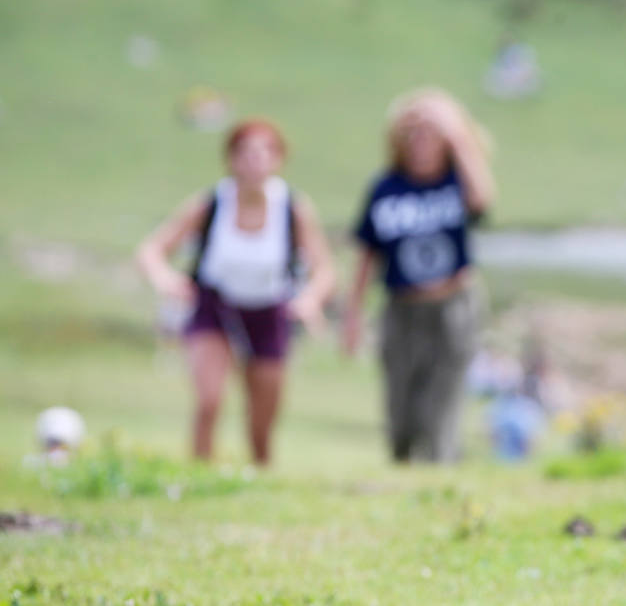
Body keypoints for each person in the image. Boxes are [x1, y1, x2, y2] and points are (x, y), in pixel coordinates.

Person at [135, 120, 334, 465]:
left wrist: (310, 299)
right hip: (216, 306)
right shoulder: (211, 203)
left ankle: (259, 474)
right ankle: (198, 473)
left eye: (264, 152)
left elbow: (325, 269)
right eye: (246, 153)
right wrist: (166, 280)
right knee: (210, 399)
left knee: (262, 418)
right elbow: (152, 249)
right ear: (231, 160)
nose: (255, 161)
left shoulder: (292, 208)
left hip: (270, 310)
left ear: (279, 159)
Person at [344, 88, 495, 462]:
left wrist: (456, 132)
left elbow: (484, 201)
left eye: (431, 132)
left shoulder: (457, 180)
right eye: (413, 131)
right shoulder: (385, 187)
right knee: (401, 409)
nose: (421, 140)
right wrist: (353, 315)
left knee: (441, 402)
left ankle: (441, 468)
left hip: (453, 303)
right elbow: (367, 255)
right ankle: (404, 466)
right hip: (402, 307)